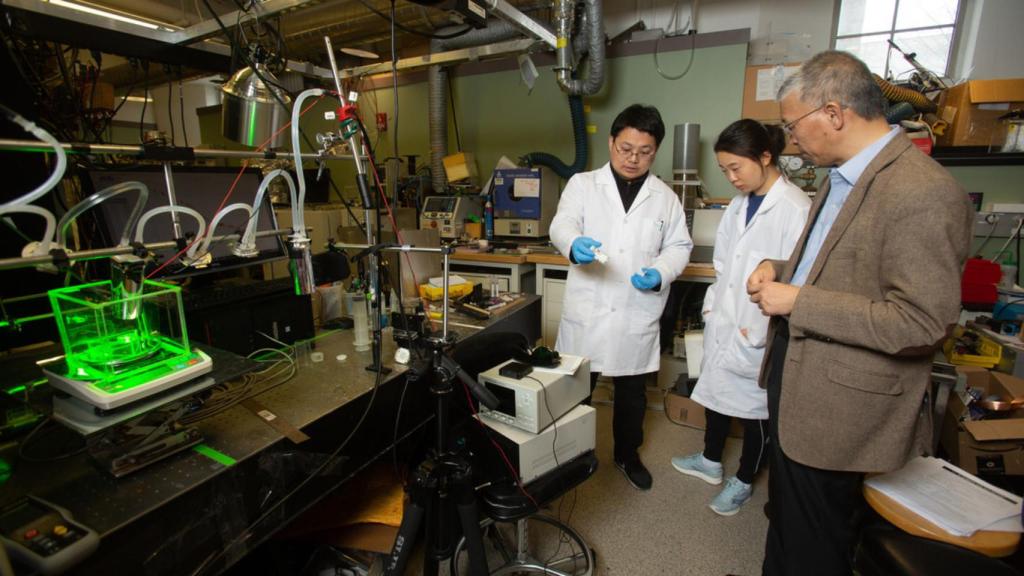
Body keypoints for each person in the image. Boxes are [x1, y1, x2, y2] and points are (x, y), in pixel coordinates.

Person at [745, 51, 973, 575]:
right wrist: (778, 267)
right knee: (788, 518)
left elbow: (922, 322)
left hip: (840, 407)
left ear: (833, 113)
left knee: (817, 542)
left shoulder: (922, 192)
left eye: (792, 124)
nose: (791, 138)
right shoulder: (840, 179)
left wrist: (798, 301)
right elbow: (841, 265)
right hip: (797, 379)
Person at [550, 103, 693, 491]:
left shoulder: (665, 197)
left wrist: (661, 272)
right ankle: (565, 457)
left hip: (635, 311)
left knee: (632, 397)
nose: (633, 159)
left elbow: (680, 245)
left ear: (656, 151)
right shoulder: (582, 184)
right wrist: (572, 241)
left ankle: (627, 456)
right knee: (575, 391)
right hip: (590, 310)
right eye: (625, 148)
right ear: (611, 142)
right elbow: (561, 223)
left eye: (644, 152)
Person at [671, 119, 810, 515]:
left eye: (737, 167)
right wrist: (714, 305)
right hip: (727, 318)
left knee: (756, 412)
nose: (731, 177)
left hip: (761, 327)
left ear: (765, 157)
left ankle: (745, 480)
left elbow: (795, 278)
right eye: (725, 170)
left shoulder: (795, 208)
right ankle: (710, 461)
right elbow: (724, 265)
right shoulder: (737, 204)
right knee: (717, 391)